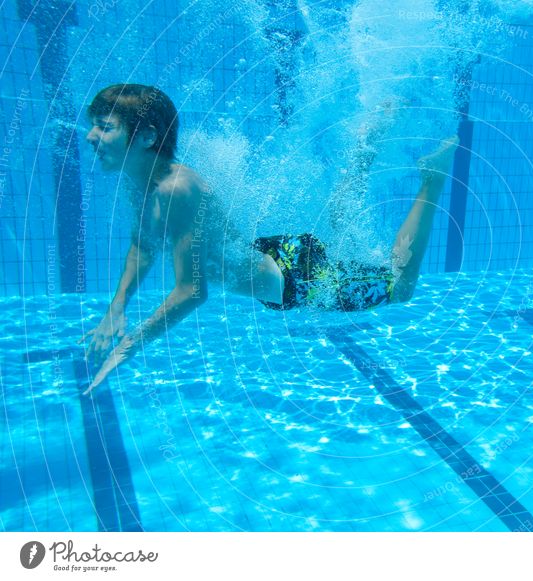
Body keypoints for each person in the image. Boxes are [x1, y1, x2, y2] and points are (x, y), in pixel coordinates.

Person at [80, 84, 458, 394]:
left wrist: (127, 349)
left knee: (400, 285)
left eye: (104, 126)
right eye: (94, 125)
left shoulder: (175, 190)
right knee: (341, 241)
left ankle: (433, 178)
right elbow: (143, 246)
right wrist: (116, 308)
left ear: (147, 137)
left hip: (291, 279)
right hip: (272, 260)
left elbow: (191, 291)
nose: (90, 136)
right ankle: (365, 145)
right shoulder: (140, 182)